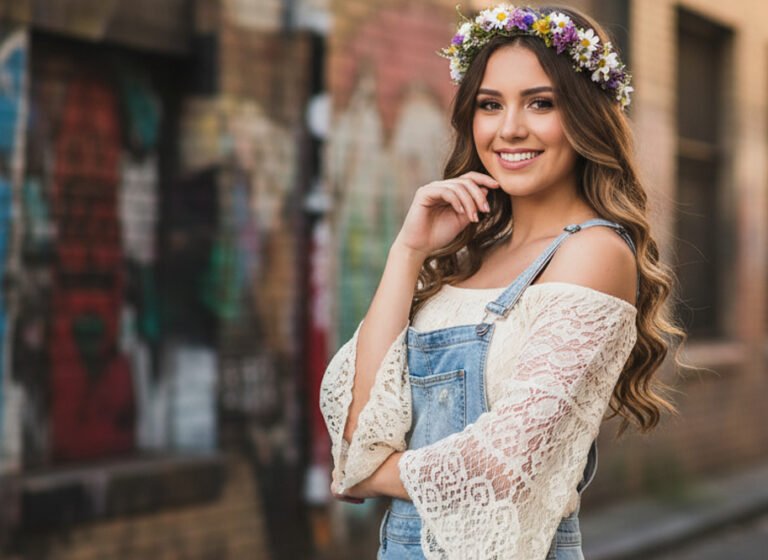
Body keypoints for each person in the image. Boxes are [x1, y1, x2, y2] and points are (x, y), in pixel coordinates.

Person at [320, 3, 686, 558]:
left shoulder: (592, 253)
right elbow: (358, 432)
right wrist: (409, 250)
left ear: (587, 117)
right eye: (490, 105)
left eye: (541, 103)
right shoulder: (468, 256)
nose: (510, 128)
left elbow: (503, 468)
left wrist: (374, 478)